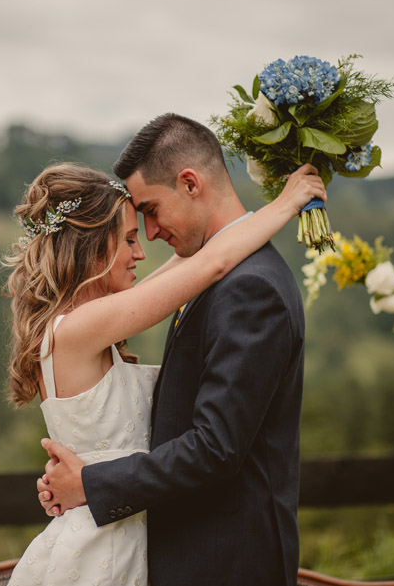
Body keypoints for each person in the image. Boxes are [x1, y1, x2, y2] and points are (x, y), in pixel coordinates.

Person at [33, 114, 312, 586]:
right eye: (130, 236)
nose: (149, 238)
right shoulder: (202, 277)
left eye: (150, 211)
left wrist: (90, 481)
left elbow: (216, 447)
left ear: (189, 183)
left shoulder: (249, 288)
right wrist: (282, 205)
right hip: (140, 546)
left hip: (225, 561)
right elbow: (212, 260)